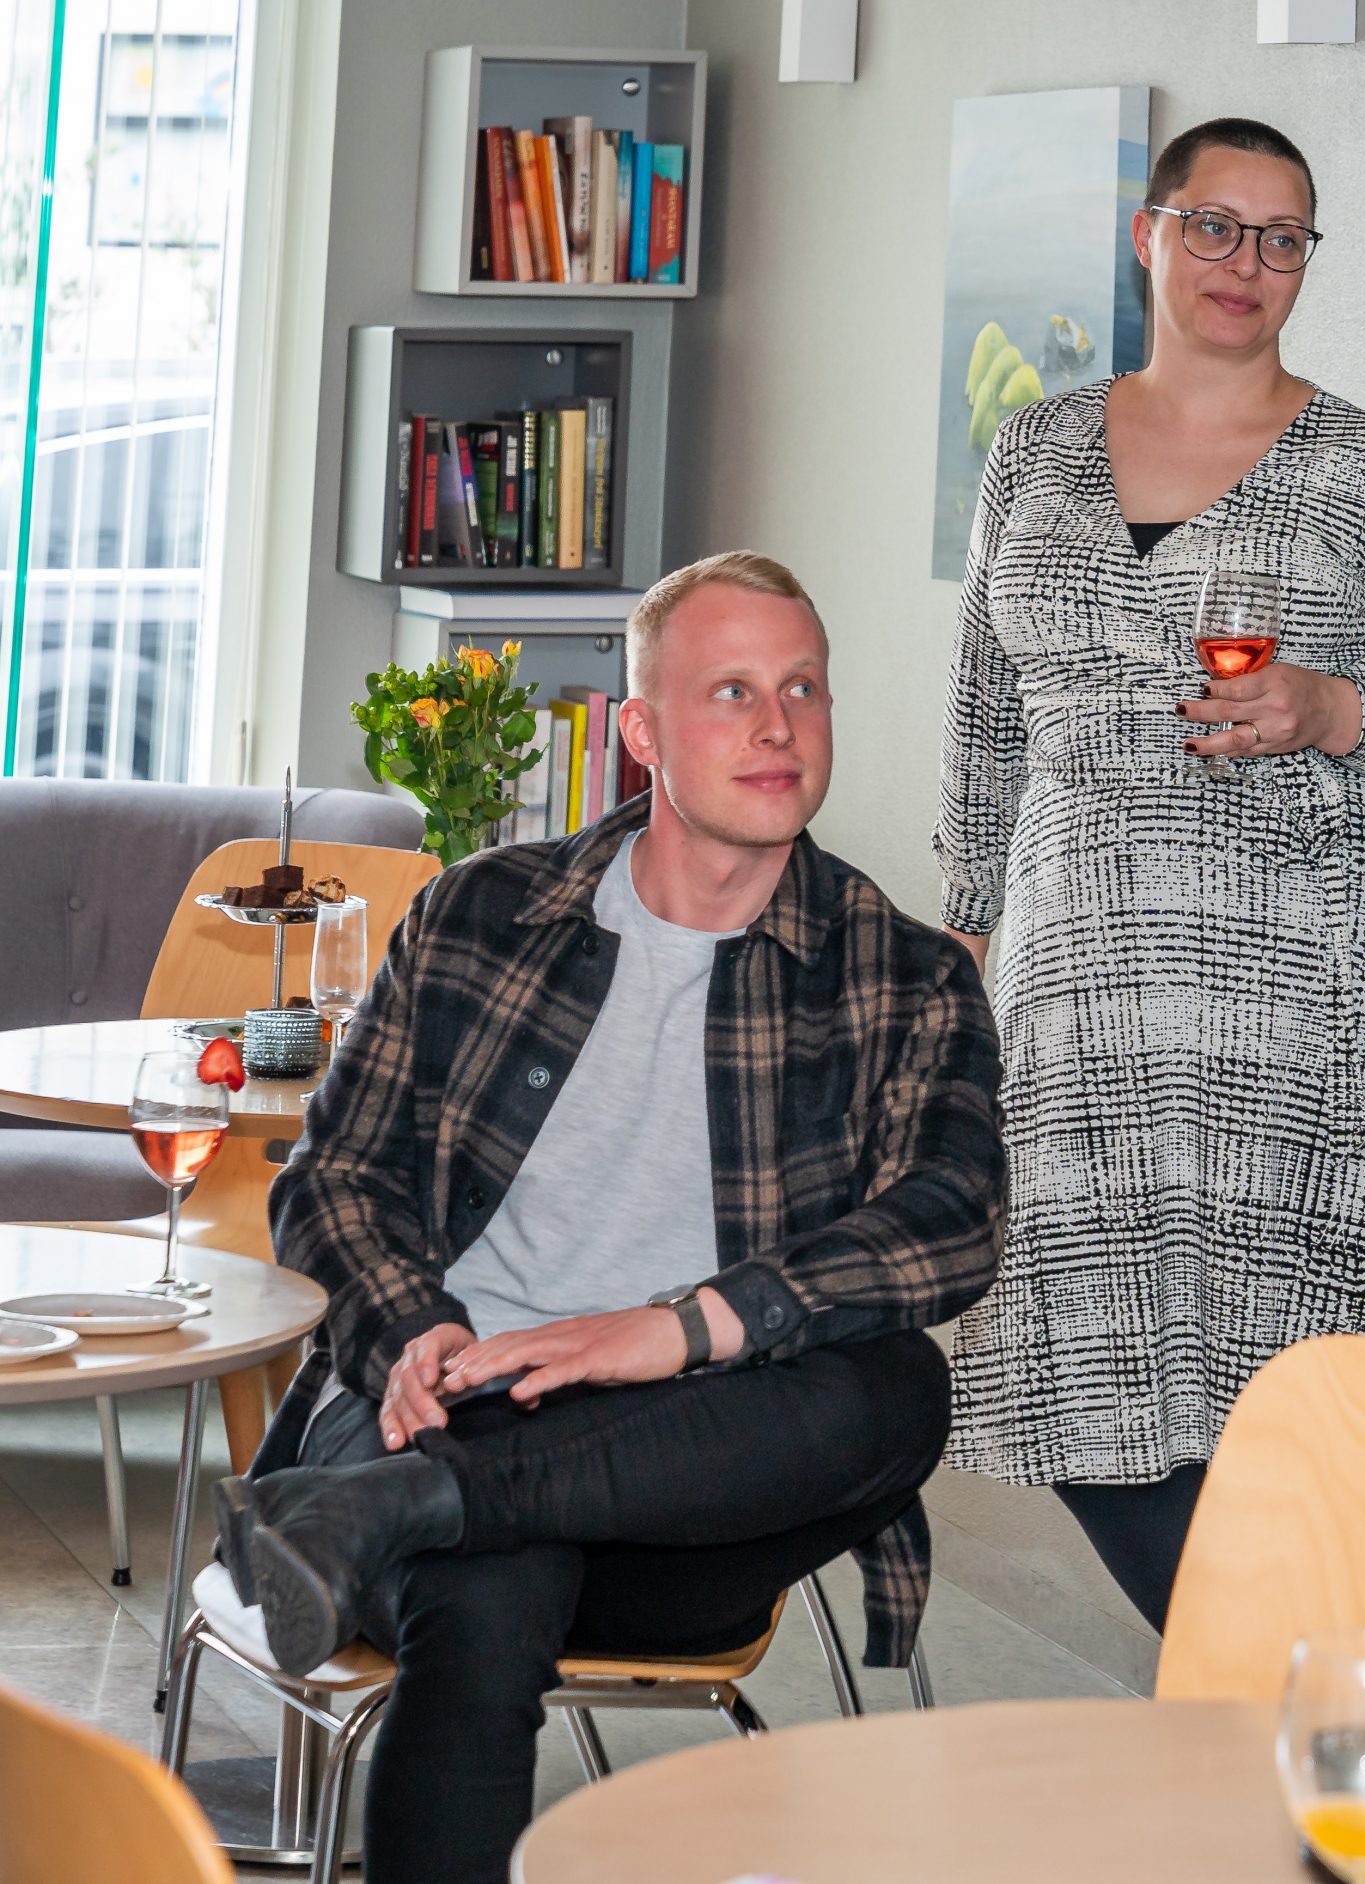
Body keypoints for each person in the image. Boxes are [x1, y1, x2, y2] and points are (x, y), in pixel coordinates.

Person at [225, 553, 1004, 1884]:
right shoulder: (478, 915)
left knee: (899, 1388)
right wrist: (414, 1334)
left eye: (803, 688)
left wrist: (679, 1329)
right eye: (733, 692)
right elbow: (333, 1176)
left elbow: (953, 1217)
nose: (779, 726)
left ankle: (394, 1508)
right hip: (440, 1400)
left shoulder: (902, 974)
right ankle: (426, 1495)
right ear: (640, 732)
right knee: (489, 1578)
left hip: (691, 1473)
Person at [935, 117, 1365, 1630]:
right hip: (1085, 990)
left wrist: (1335, 708)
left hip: (1325, 1004)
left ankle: (1286, 1699)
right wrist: (966, 942)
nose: (1244, 264)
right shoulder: (1033, 451)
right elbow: (984, 723)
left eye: (1282, 239)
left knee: (1305, 1398)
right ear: (1149, 233)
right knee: (1084, 1367)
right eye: (1215, 225)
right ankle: (1273, 1675)